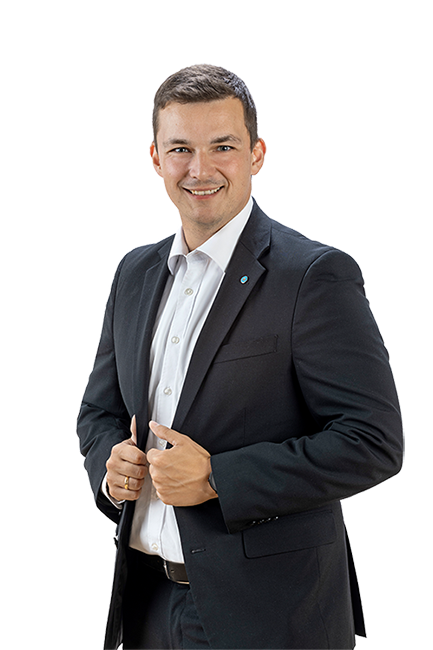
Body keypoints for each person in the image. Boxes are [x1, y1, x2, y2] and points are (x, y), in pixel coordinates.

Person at [77, 64, 403, 650]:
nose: (200, 169)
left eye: (222, 147)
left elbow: (372, 440)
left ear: (256, 155)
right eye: (181, 149)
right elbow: (99, 413)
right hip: (146, 605)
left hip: (269, 615)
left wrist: (218, 479)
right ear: (155, 158)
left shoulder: (313, 276)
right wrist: (111, 466)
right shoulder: (134, 273)